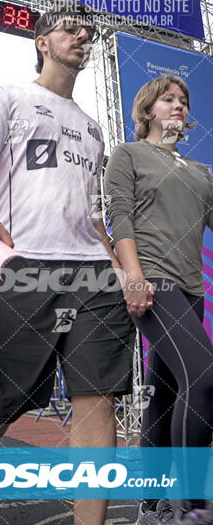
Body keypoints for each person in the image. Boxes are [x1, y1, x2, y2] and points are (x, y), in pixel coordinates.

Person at [0, 7, 136, 525]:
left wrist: (116, 262)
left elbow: (91, 212)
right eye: (70, 28)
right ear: (41, 41)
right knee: (3, 401)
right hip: (22, 265)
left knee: (98, 400)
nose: (82, 36)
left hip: (92, 272)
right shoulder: (7, 95)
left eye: (86, 32)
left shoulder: (94, 129)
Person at [104, 75, 213, 525]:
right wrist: (132, 275)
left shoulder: (203, 172)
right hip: (152, 282)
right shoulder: (128, 155)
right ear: (148, 110)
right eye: (168, 99)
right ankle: (191, 508)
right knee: (205, 378)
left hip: (191, 291)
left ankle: (151, 505)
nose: (178, 106)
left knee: (165, 394)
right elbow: (119, 216)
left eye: (184, 101)